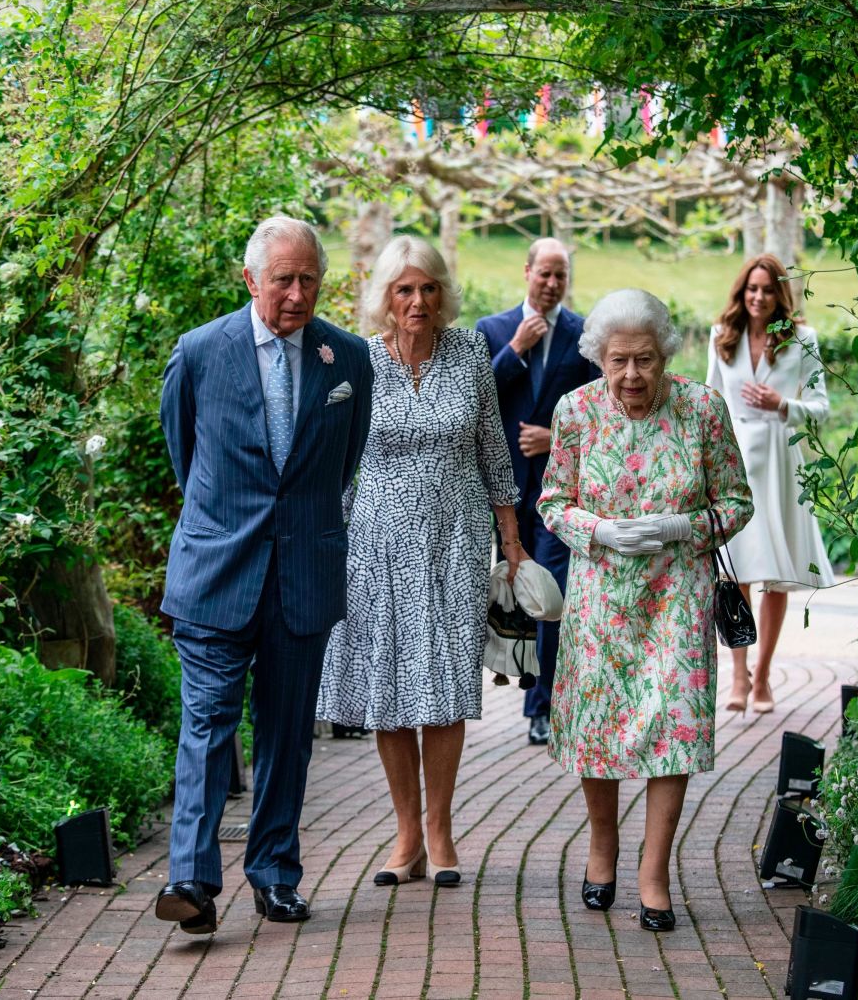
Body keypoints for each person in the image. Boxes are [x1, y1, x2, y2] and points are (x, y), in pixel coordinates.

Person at [155, 216, 374, 935]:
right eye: (283, 278)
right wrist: (227, 523)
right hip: (218, 571)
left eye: (309, 278)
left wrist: (300, 527)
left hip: (302, 572)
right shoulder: (198, 352)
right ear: (251, 279)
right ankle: (190, 875)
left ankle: (276, 874)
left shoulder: (347, 360)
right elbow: (185, 457)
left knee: (287, 733)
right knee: (209, 722)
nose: (297, 292)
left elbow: (344, 464)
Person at [538, 288, 752, 931]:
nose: (632, 375)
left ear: (666, 355)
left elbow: (737, 502)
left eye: (645, 360)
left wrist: (681, 527)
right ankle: (602, 850)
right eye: (618, 360)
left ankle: (653, 873)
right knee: (599, 728)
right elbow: (551, 503)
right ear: (599, 356)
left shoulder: (702, 410)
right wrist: (600, 531)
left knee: (675, 728)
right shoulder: (575, 412)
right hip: (601, 598)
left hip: (677, 599)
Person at [318, 236, 528, 889]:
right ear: (386, 295)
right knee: (388, 685)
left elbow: (495, 446)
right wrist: (326, 537)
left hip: (455, 543)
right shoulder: (357, 359)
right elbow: (337, 456)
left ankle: (440, 829)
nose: (418, 300)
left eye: (429, 288)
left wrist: (512, 538)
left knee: (442, 684)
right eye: (405, 289)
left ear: (444, 294)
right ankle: (406, 831)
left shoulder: (469, 351)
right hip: (375, 544)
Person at [475, 238, 601, 745]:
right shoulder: (493, 331)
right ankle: (520, 689)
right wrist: (517, 350)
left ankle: (541, 707)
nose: (551, 284)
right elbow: (477, 397)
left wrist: (556, 437)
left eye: (560, 276)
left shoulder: (584, 333)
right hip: (502, 492)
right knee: (513, 595)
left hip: (558, 492)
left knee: (550, 596)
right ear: (526, 271)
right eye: (544, 274)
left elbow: (598, 408)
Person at [705, 254, 835, 714]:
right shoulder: (723, 338)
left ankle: (763, 677)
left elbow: (821, 407)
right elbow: (710, 401)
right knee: (734, 572)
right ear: (742, 292)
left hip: (780, 462)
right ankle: (737, 676)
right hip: (734, 461)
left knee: (775, 576)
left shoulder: (803, 339)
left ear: (780, 294)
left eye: (766, 290)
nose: (758, 297)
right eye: (751, 289)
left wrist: (783, 404)